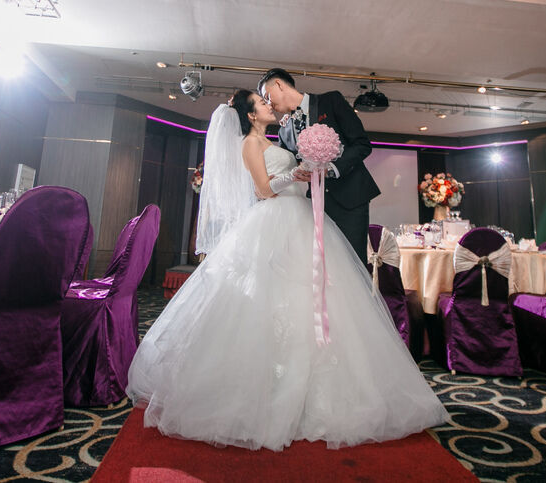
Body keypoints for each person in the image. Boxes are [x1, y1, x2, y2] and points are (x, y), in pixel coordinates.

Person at [126, 90, 447, 452]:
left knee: (312, 297)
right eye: (261, 103)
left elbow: (287, 182)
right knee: (277, 297)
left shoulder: (273, 139)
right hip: (275, 222)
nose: (269, 105)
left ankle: (312, 387)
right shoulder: (249, 144)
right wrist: (293, 174)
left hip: (301, 217)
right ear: (251, 115)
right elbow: (263, 190)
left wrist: (307, 174)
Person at [257, 68, 380, 267]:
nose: (268, 104)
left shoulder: (330, 101)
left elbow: (362, 145)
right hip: (314, 206)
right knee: (321, 266)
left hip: (349, 199)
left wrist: (330, 169)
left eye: (267, 96)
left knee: (353, 265)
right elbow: (291, 166)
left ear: (279, 84)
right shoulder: (284, 130)